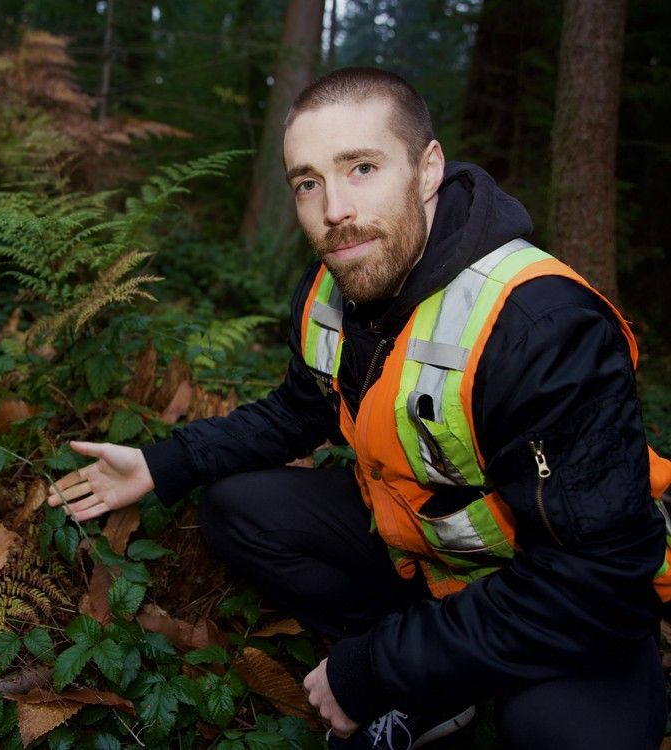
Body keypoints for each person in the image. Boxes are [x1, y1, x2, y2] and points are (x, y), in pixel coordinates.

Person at [47, 67, 671, 750]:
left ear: (427, 168)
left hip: (563, 588)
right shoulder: (331, 287)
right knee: (236, 510)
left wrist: (376, 666)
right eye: (308, 183)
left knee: (560, 733)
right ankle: (437, 686)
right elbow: (295, 413)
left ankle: (423, 667)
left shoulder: (540, 324)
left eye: (363, 167)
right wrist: (161, 463)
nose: (334, 209)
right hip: (428, 551)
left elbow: (597, 580)